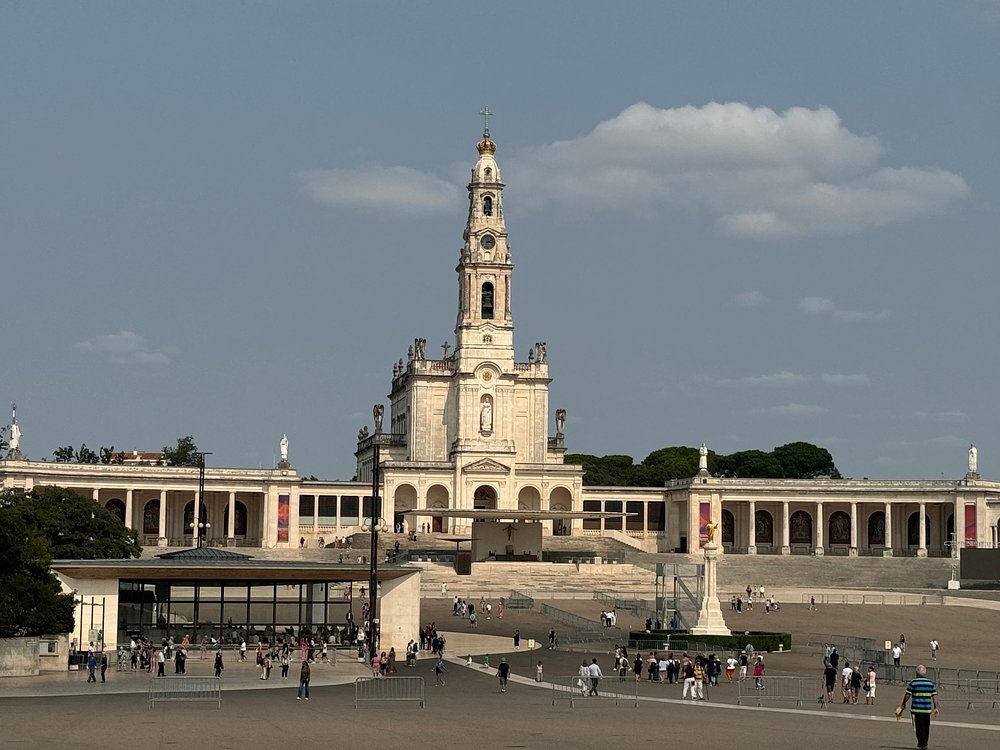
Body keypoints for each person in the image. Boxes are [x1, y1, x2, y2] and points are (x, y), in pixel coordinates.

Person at [898, 665, 939, 750]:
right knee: (926, 727)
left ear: (916, 673)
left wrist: (903, 704)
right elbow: (934, 696)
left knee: (918, 727)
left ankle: (922, 744)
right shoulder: (930, 683)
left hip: (916, 709)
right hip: (927, 709)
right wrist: (935, 707)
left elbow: (907, 695)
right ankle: (924, 743)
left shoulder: (913, 682)